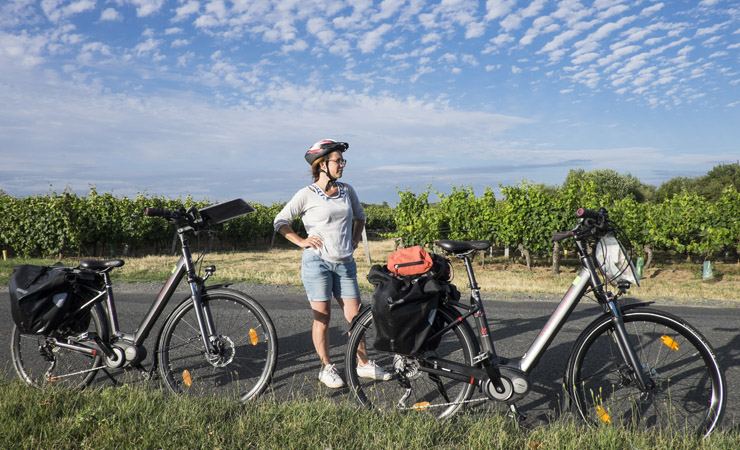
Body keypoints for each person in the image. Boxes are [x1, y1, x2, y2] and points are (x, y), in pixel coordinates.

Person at [274, 139, 391, 388]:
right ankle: (326, 367)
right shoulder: (306, 194)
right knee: (323, 317)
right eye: (338, 161)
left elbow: (360, 217)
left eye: (342, 161)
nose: (342, 165)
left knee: (356, 317)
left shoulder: (347, 191)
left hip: (345, 263)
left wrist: (356, 238)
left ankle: (363, 365)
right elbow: (280, 221)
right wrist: (301, 241)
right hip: (317, 264)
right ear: (322, 164)